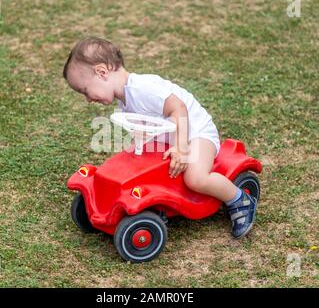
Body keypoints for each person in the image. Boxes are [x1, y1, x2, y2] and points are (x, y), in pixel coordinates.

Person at [63, 36, 258, 238]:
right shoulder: (125, 99)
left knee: (196, 178)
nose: (87, 99)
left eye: (85, 90)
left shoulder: (143, 88)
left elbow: (179, 109)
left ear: (102, 72)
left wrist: (182, 149)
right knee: (135, 164)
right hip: (168, 136)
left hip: (195, 133)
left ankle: (240, 200)